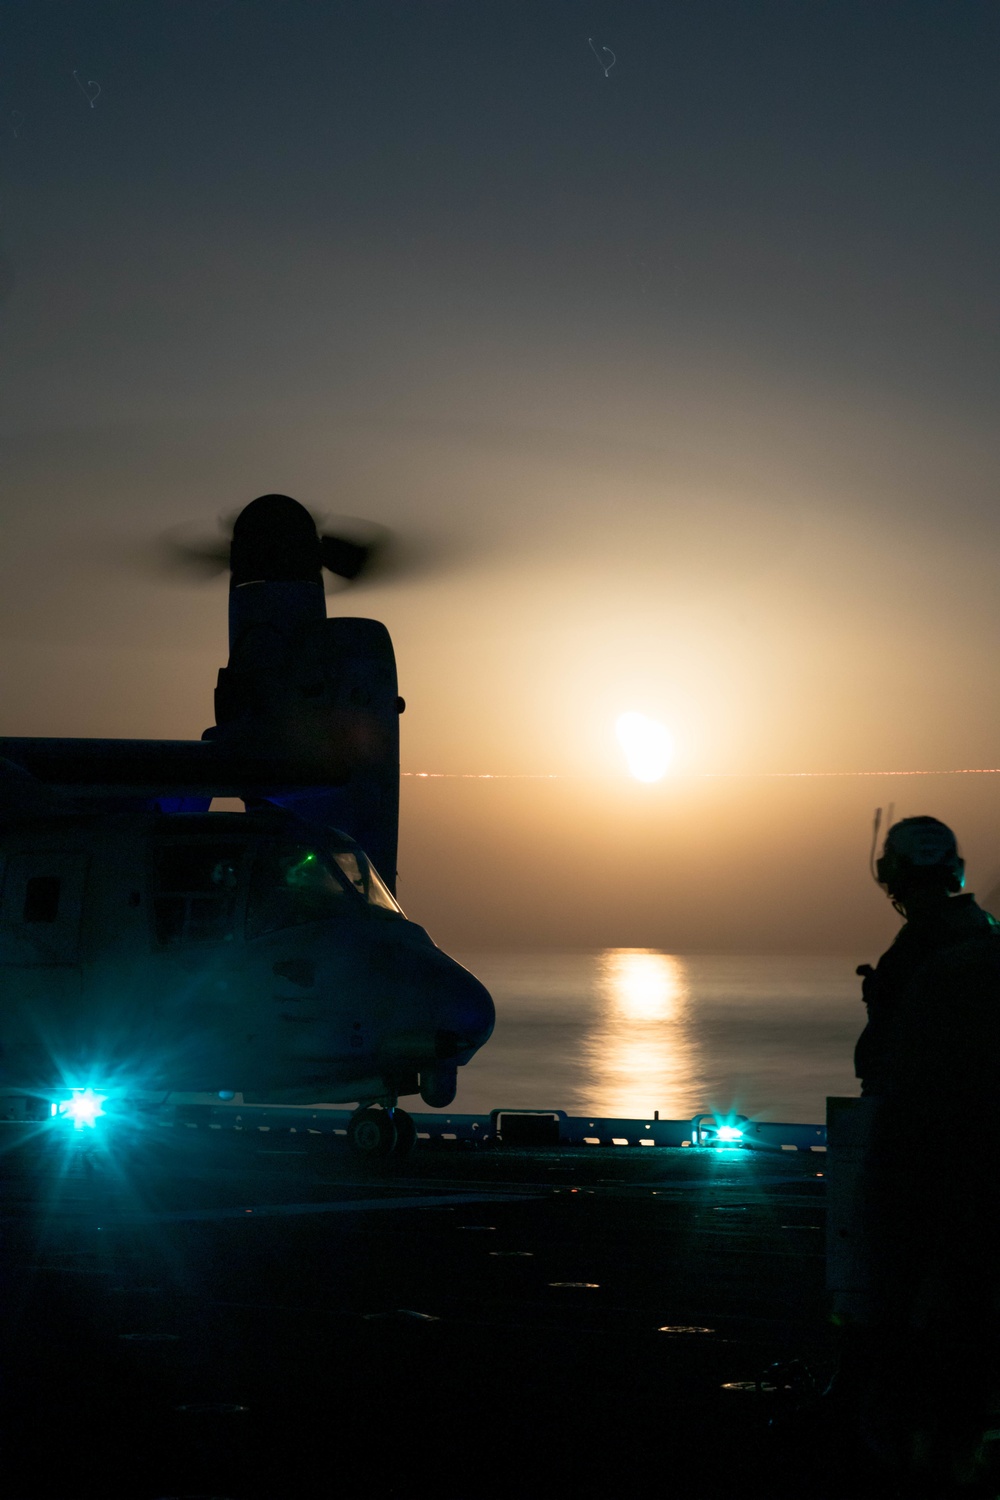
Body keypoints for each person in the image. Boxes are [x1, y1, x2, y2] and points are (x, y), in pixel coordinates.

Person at [850, 815, 1000, 1490]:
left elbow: (885, 1060)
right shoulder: (983, 936)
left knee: (900, 1300)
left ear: (893, 874)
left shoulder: (920, 950)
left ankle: (911, 1445)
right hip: (980, 1153)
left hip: (927, 1150)